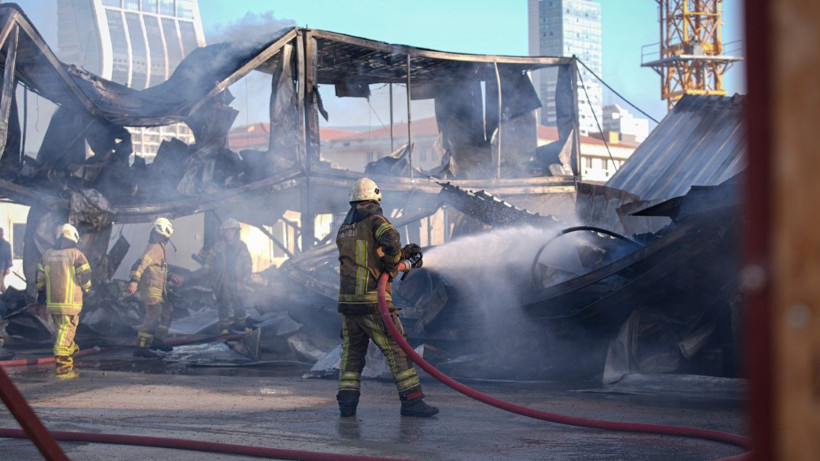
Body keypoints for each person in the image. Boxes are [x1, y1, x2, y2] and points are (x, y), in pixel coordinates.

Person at [335, 177, 438, 418]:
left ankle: (347, 405)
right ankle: (412, 402)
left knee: (351, 355)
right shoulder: (376, 221)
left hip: (349, 304)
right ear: (375, 199)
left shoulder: (344, 228)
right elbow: (390, 240)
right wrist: (394, 266)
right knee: (397, 348)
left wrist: (399, 257)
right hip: (372, 300)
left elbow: (368, 256)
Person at [35, 224, 92, 379]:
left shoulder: (47, 255)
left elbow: (39, 278)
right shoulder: (76, 254)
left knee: (62, 331)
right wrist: (87, 290)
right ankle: (63, 363)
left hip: (53, 303)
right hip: (71, 303)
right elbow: (85, 276)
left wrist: (41, 293)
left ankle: (71, 349)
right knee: (67, 330)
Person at [128, 217, 180, 357]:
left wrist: (170, 276)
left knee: (166, 314)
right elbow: (140, 265)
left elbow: (158, 268)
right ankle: (141, 347)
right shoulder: (154, 248)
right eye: (156, 233)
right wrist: (134, 281)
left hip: (159, 289)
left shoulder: (159, 249)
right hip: (151, 288)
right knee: (153, 316)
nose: (157, 236)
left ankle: (157, 340)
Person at [205, 218, 253, 334]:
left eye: (232, 231)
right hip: (223, 278)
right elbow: (209, 261)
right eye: (227, 231)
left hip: (238, 279)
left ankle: (240, 325)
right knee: (224, 302)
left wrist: (247, 276)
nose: (229, 233)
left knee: (239, 302)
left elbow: (248, 262)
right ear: (224, 232)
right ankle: (224, 327)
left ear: (236, 232)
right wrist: (209, 274)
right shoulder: (218, 246)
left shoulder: (242, 246)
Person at [0, 227, 12, 294]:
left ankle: (7, 296)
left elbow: (9, 256)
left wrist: (8, 267)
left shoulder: (6, 245)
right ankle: (7, 297)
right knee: (1, 286)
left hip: (2, 267)